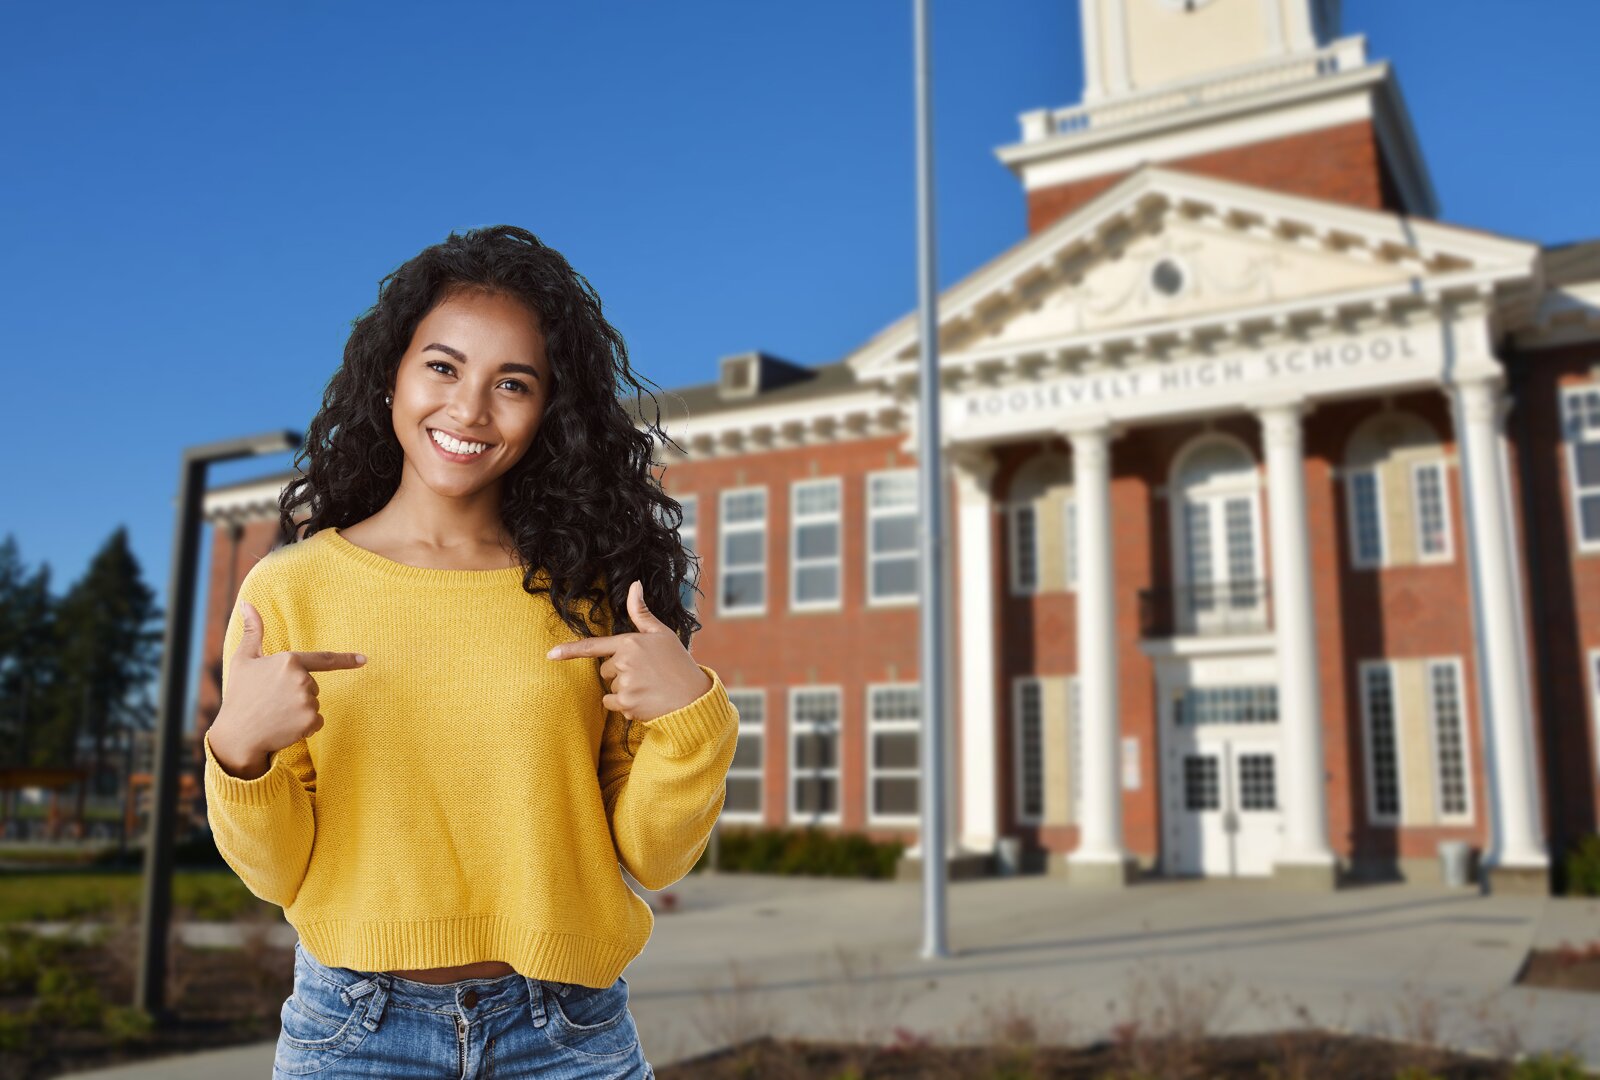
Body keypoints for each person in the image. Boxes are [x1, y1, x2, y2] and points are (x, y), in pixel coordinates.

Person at [203, 224, 738, 1078]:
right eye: (443, 367)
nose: (469, 409)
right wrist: (240, 750)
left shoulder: (592, 592)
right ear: (392, 376)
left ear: (548, 412)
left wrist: (688, 720)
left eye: (512, 383)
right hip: (354, 1030)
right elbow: (275, 874)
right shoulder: (289, 590)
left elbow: (653, 855)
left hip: (565, 1033)